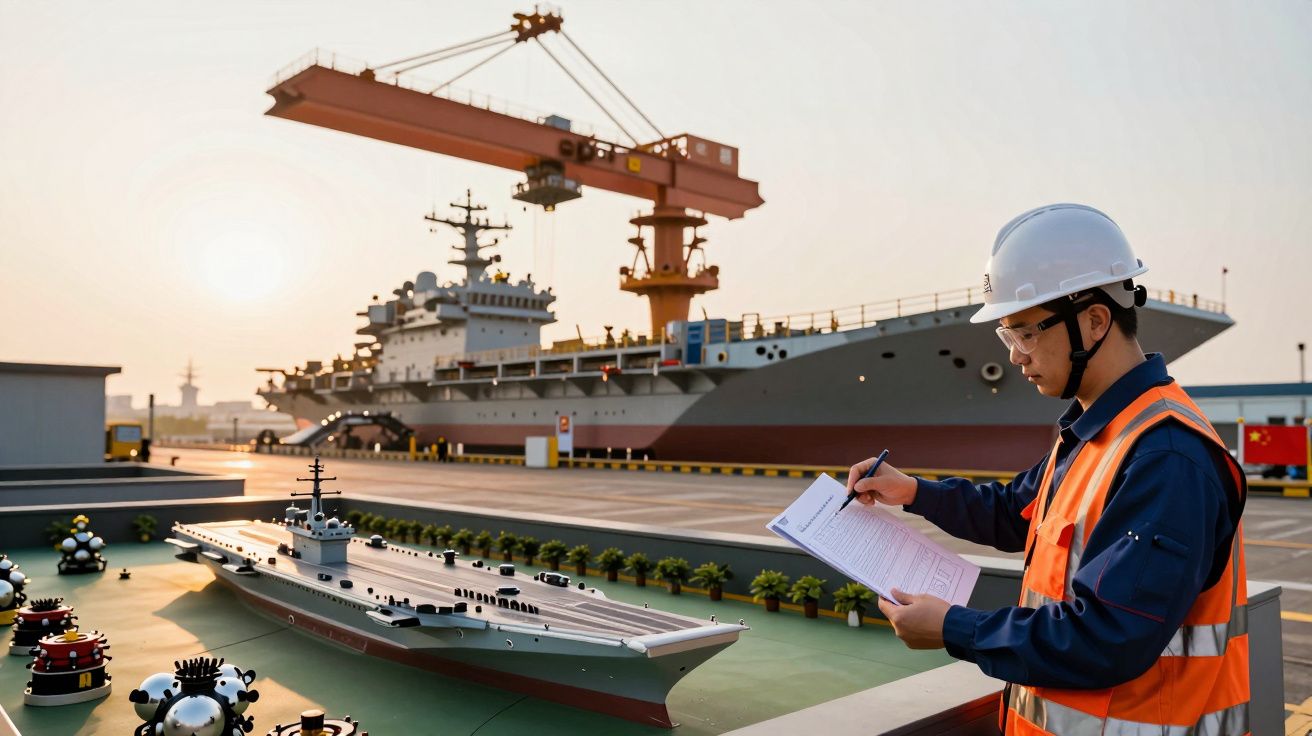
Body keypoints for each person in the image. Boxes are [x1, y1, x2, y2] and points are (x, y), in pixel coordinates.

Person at [847, 204, 1248, 735]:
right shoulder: (1096, 432)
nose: (1015, 357)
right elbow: (1016, 513)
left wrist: (953, 628)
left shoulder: (1165, 456)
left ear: (1095, 321)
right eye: (1007, 338)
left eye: (1025, 333)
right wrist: (914, 492)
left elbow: (1107, 637)